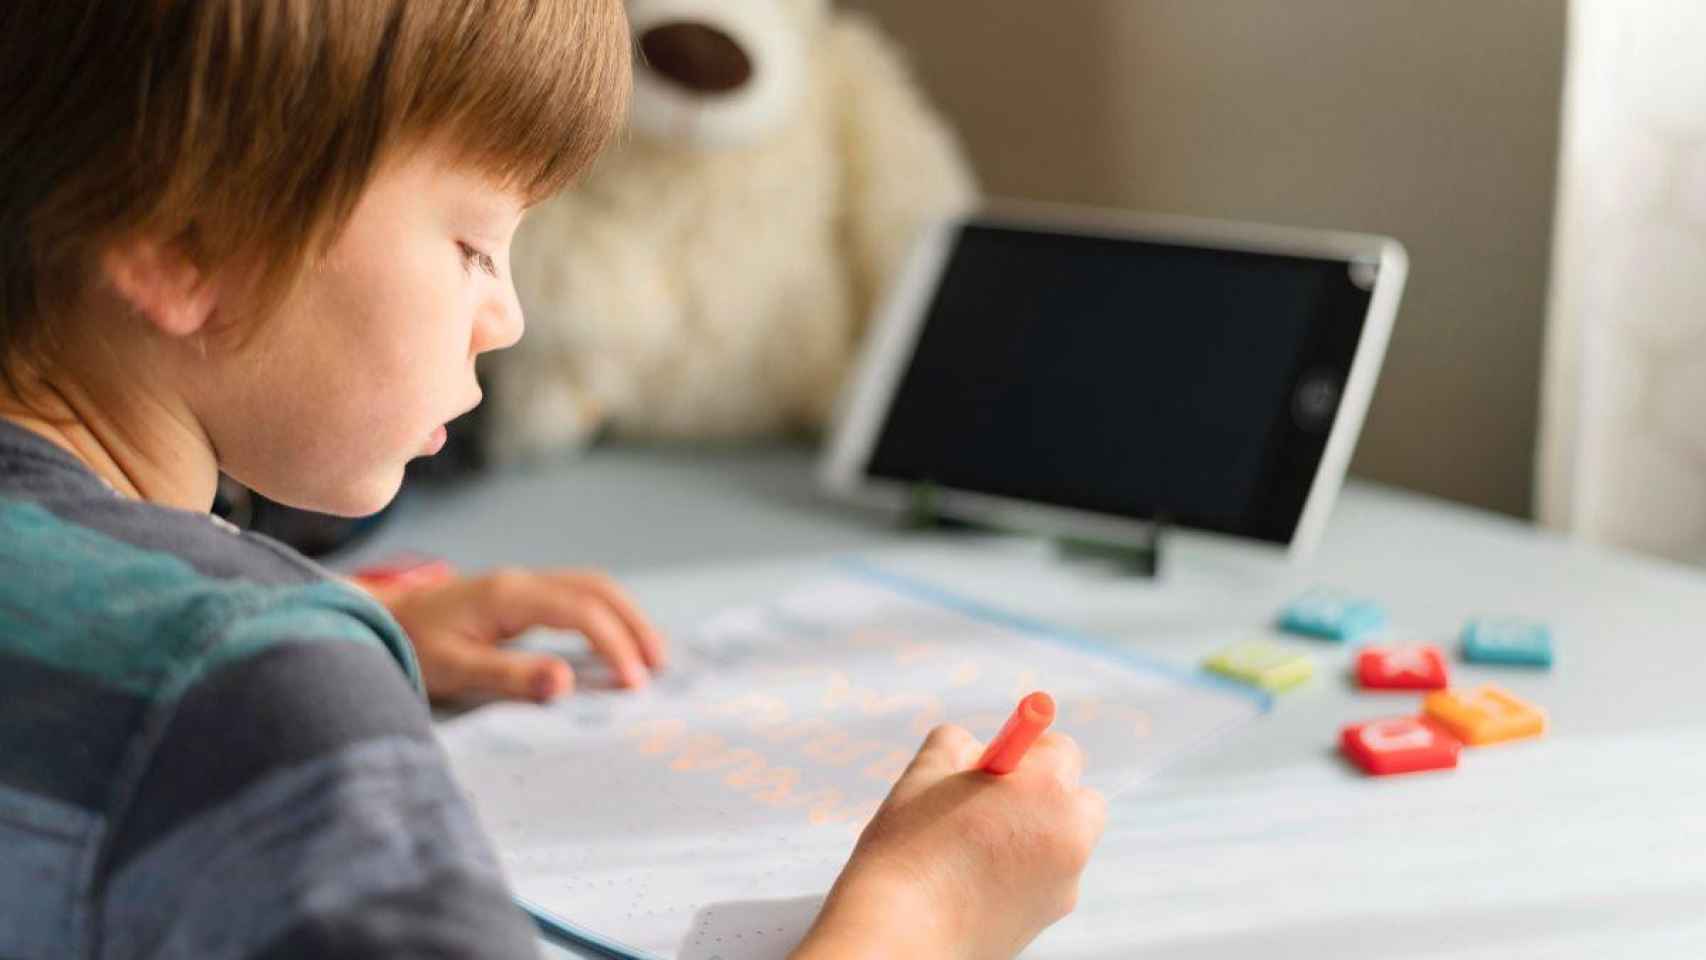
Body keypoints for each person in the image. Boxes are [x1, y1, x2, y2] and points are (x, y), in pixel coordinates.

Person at [0, 2, 1107, 958]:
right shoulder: (254, 692)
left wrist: (331, 614)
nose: (509, 316)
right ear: (179, 244)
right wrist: (922, 916)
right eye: (475, 245)